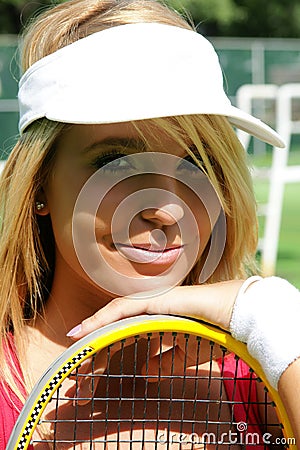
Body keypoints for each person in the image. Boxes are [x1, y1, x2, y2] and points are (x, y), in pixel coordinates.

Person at [0, 0, 300, 447]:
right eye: (116, 162)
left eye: (195, 163)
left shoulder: (266, 375)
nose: (168, 208)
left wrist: (271, 318)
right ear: (40, 183)